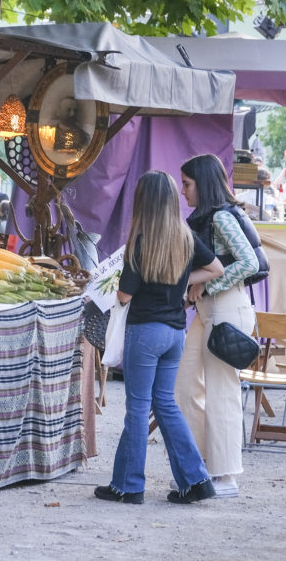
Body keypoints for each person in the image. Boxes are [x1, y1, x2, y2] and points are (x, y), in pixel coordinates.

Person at [94, 171, 223, 506]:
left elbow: (124, 295)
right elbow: (216, 269)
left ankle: (130, 486)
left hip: (146, 331)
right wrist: (181, 285)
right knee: (165, 403)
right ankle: (196, 480)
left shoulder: (141, 241)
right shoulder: (186, 237)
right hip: (175, 332)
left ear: (143, 202)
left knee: (137, 408)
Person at [178, 154, 263, 498]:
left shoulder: (222, 218)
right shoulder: (209, 218)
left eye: (187, 184)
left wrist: (207, 285)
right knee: (182, 388)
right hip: (209, 311)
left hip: (226, 309)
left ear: (203, 183)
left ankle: (224, 474)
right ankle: (202, 464)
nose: (183, 191)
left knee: (221, 393)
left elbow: (250, 261)